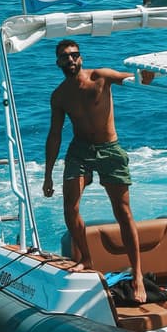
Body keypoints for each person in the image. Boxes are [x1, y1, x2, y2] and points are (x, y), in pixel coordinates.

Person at [43, 38, 146, 303]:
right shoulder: (60, 96)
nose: (70, 60)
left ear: (81, 58)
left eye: (74, 55)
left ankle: (138, 275)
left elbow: (130, 79)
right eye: (65, 57)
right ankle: (86, 259)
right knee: (70, 207)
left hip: (109, 148)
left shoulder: (100, 77)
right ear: (58, 63)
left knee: (122, 211)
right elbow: (54, 135)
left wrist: (145, 76)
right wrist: (48, 175)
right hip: (80, 150)